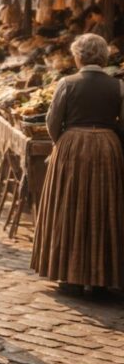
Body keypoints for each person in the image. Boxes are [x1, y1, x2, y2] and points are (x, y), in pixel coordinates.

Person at [32, 34, 124, 295]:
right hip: (108, 147)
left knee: (68, 208)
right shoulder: (118, 86)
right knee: (103, 209)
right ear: (103, 57)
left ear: (79, 56)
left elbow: (52, 121)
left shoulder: (67, 83)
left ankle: (69, 278)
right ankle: (102, 279)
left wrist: (62, 142)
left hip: (72, 145)